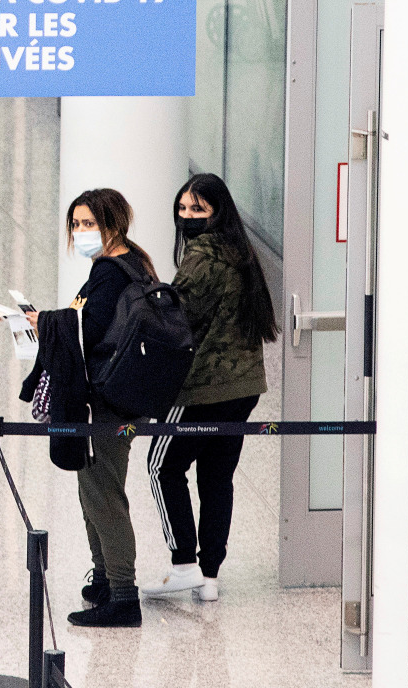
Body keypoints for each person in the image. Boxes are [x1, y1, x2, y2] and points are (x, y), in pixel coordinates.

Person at [141, 174, 278, 602]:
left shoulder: (201, 258)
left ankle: (184, 564)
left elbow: (178, 321)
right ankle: (210, 576)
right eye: (182, 209)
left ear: (218, 212)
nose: (187, 217)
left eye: (197, 210)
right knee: (218, 478)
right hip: (244, 386)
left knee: (162, 467)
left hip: (204, 388)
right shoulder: (241, 253)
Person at [25, 188, 157, 628]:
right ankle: (103, 579)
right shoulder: (129, 265)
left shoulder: (112, 273)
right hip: (113, 400)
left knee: (103, 495)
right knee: (92, 490)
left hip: (107, 406)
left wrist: (42, 321)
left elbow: (90, 327)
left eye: (89, 224)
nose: (81, 232)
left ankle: (123, 594)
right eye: (76, 224)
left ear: (114, 224)